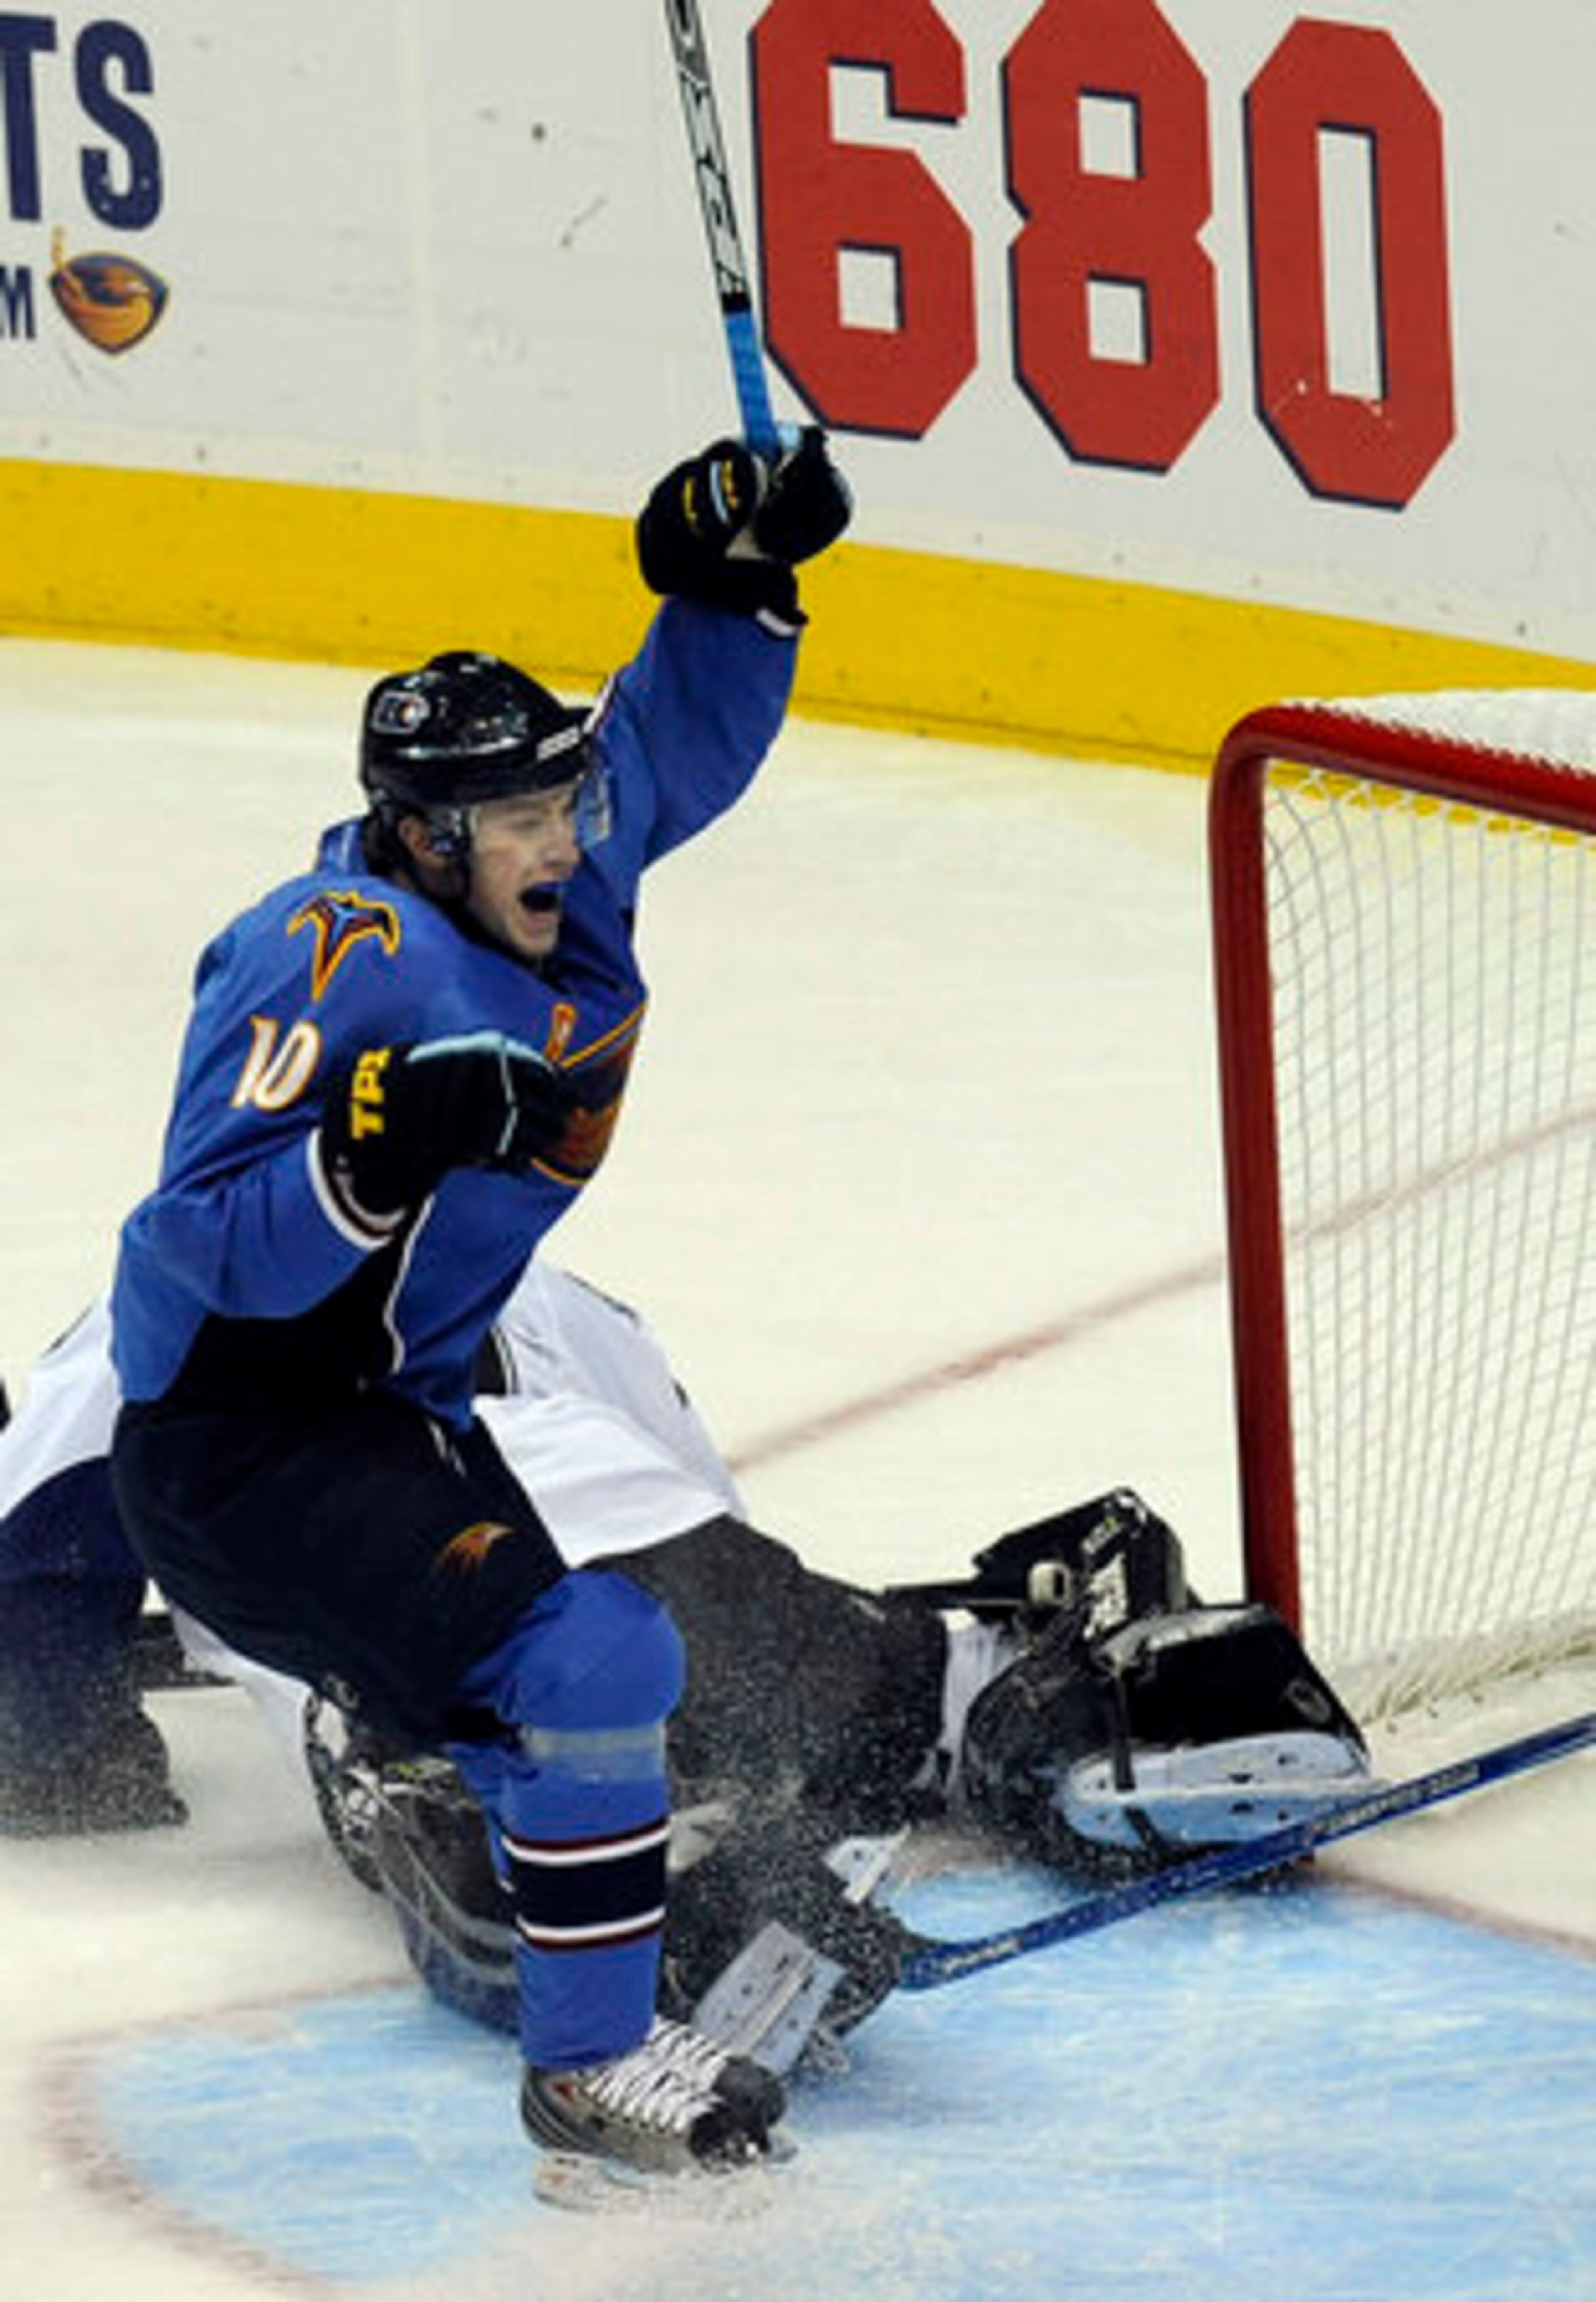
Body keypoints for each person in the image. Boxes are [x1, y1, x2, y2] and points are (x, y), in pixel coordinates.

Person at [94, 427, 854, 2184]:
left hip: (392, 1417)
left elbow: (665, 750)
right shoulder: (327, 955)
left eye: (559, 805)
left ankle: (510, 1895)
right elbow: (184, 1253)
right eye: (521, 818)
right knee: (597, 1658)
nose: (564, 841)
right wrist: (369, 1160)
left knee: (571, 1705)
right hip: (239, 1449)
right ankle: (586, 2075)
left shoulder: (552, 875)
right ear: (429, 840)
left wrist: (733, 587)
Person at [0, 1262, 1373, 2074]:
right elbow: (714, 1540)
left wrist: (74, 1746)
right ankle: (1052, 1703)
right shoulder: (558, 1279)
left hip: (421, 1626)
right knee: (868, 1684)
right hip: (648, 1545)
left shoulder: (157, 1316)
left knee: (435, 1771)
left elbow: (25, 1640)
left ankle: (642, 1893)